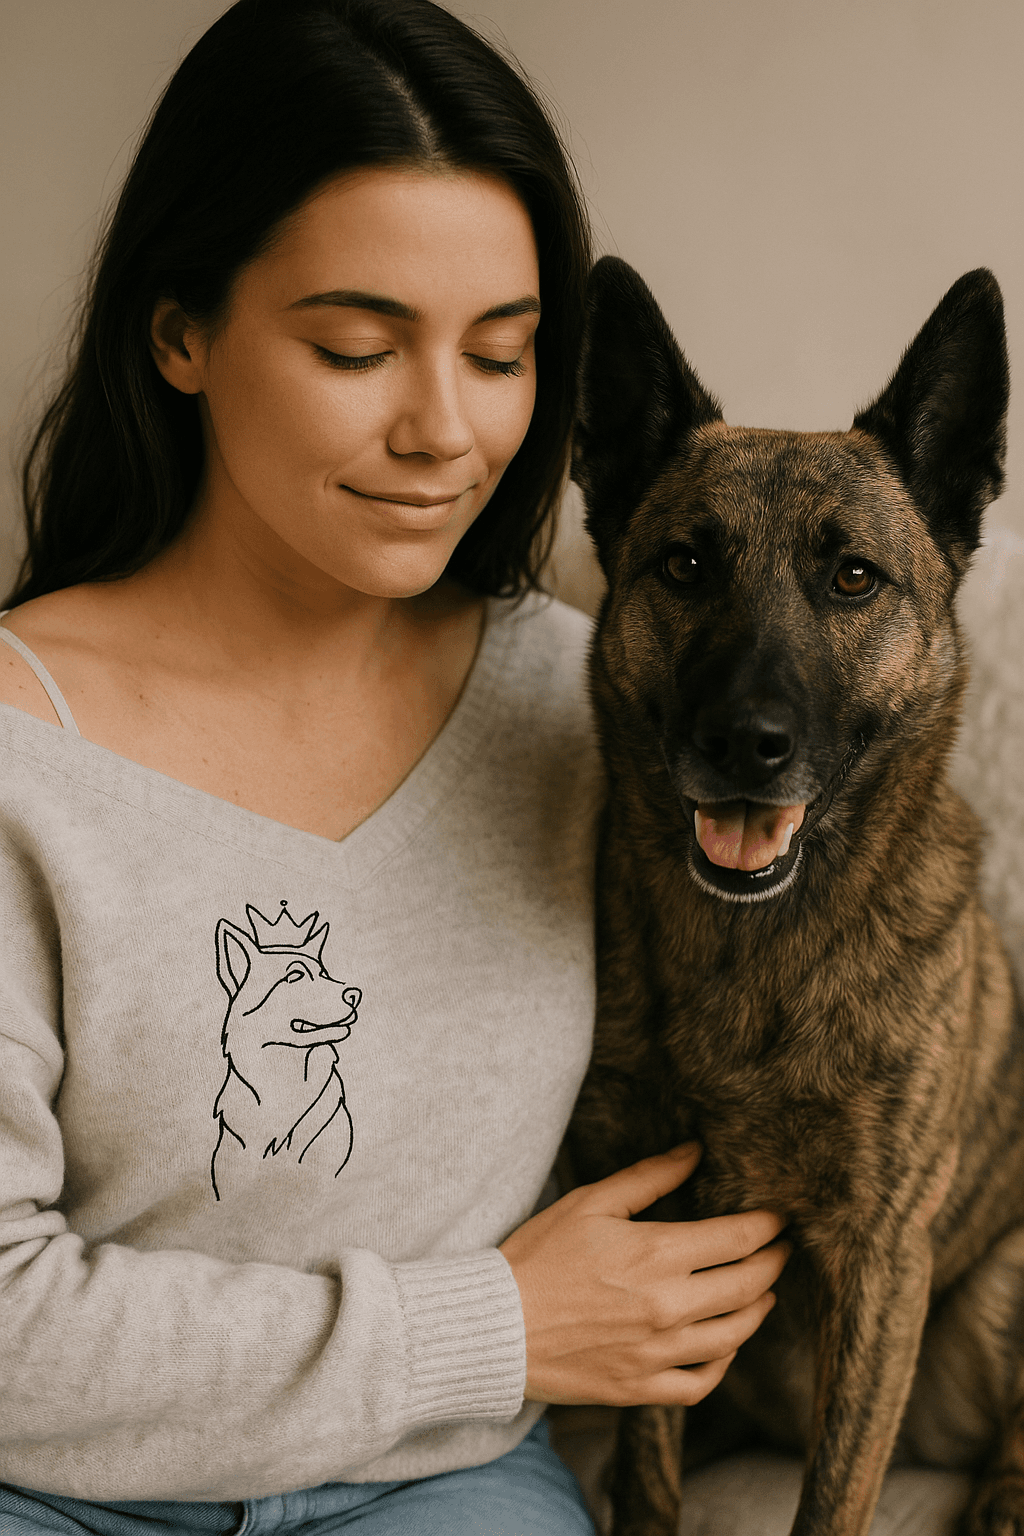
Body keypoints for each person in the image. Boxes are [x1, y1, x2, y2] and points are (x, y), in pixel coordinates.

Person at [0, 2, 788, 1531]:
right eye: (355, 348)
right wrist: (492, 1327)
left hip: (436, 1485)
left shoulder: (597, 704)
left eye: (501, 355)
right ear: (180, 332)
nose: (443, 429)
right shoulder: (26, 759)